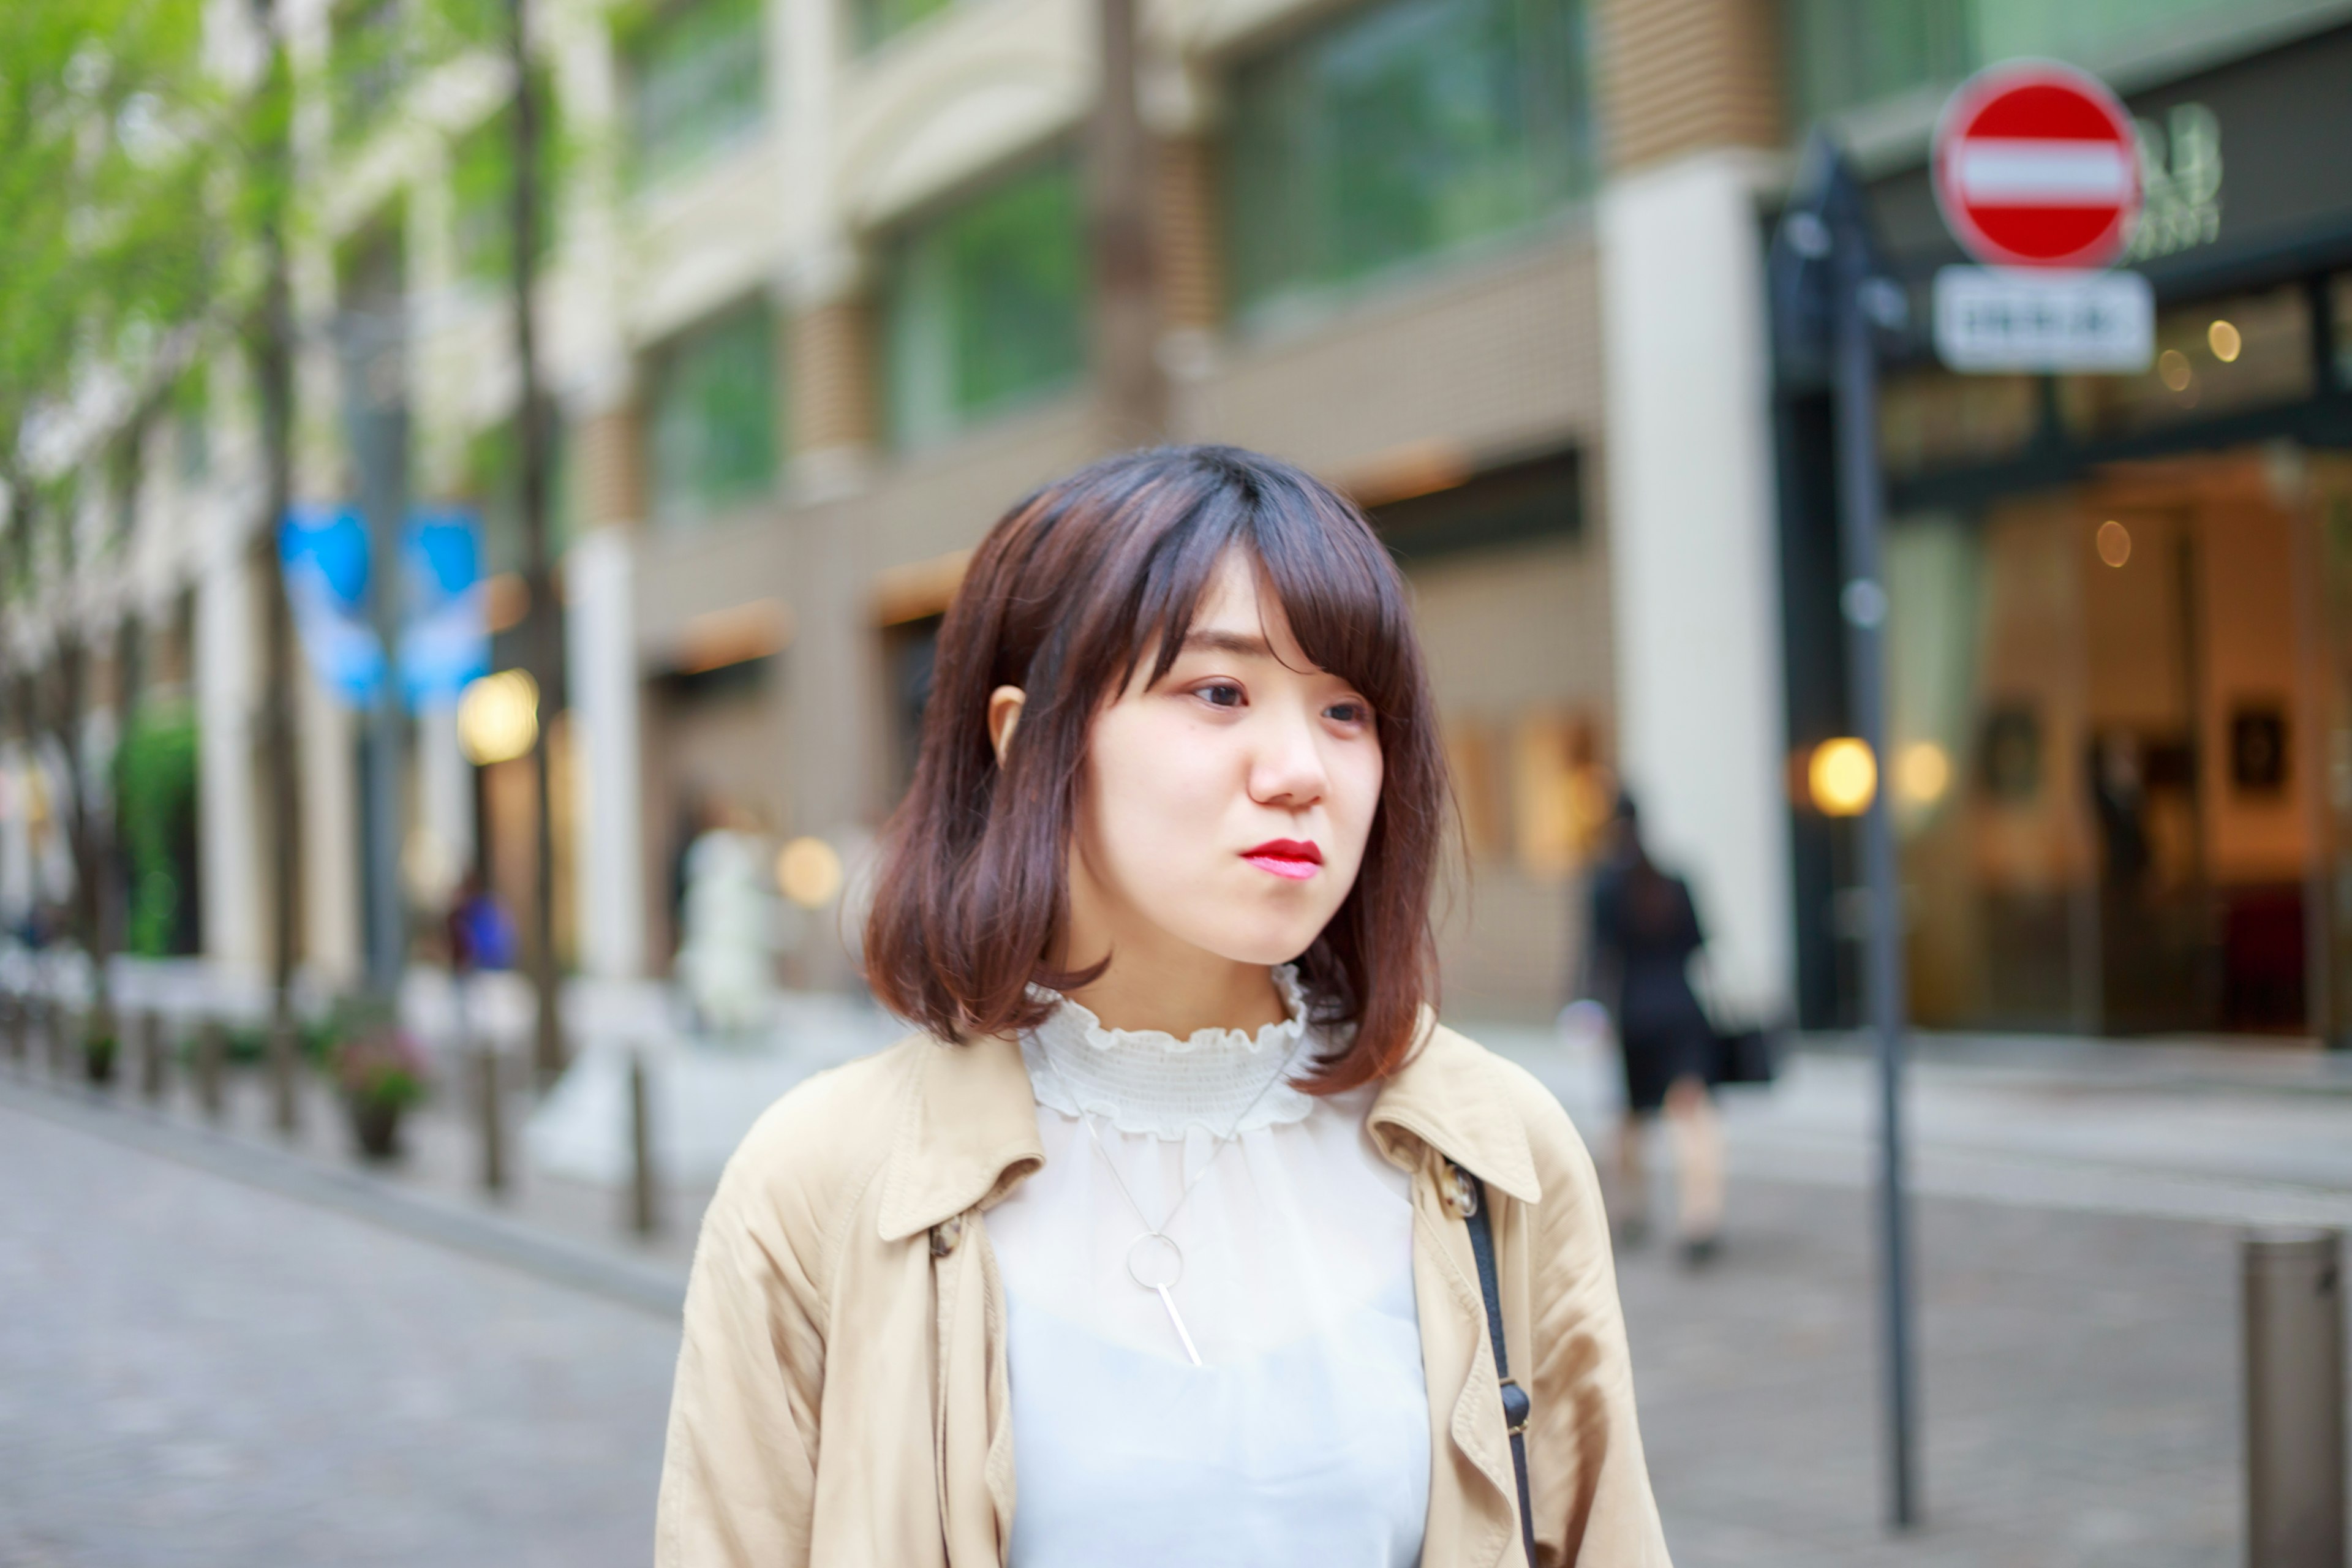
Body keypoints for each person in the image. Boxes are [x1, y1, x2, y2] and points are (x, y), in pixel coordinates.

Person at [655, 447, 1668, 1567]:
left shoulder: (1490, 1152)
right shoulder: (824, 1181)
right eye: (1219, 692)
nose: (1300, 770)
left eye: (1346, 709)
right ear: (1025, 739)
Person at [1583, 796, 1724, 1264]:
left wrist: (1591, 1014)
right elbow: (1702, 945)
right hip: (1682, 1010)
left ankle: (1631, 1209)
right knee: (1691, 1113)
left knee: (1630, 1119)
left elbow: (1597, 958)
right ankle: (1698, 1218)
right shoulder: (1673, 881)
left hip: (1635, 1016)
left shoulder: (1605, 887)